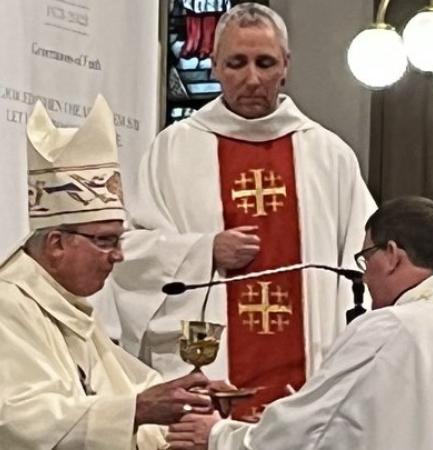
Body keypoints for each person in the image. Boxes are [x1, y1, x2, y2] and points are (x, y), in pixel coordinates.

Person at [0, 96, 214, 450]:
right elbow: (6, 425)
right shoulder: (0, 309)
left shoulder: (64, 311)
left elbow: (127, 388)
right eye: (105, 241)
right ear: (57, 243)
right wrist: (137, 411)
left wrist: (185, 405)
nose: (118, 255)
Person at [99, 2, 376, 418]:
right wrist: (203, 250)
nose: (252, 78)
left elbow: (363, 265)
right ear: (213, 66)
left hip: (309, 376)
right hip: (212, 376)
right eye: (236, 63)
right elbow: (131, 253)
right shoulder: (174, 150)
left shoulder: (329, 155)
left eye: (265, 63)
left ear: (286, 65)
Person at [164, 196, 433, 450]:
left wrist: (217, 435)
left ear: (393, 255)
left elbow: (301, 437)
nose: (364, 276)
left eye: (367, 258)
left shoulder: (390, 329)